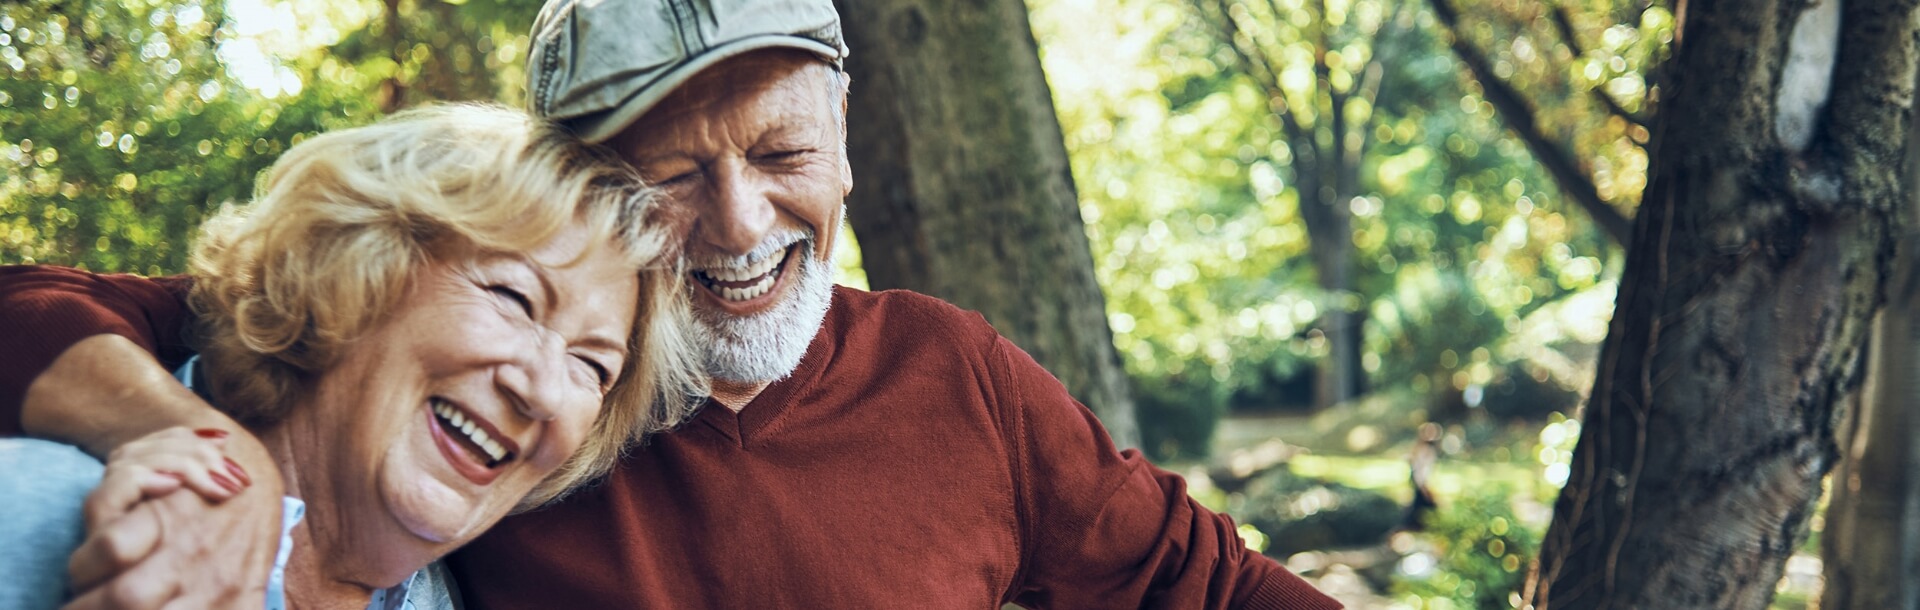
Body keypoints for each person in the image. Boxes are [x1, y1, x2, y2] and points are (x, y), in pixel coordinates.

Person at [0, 0, 1344, 607]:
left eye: (780, 154)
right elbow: (104, 311)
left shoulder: (956, 373)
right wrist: (194, 438)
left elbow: (1201, 584)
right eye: (675, 176)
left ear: (846, 144)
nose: (744, 222)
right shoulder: (456, 398)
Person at [0, 103, 702, 609]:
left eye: (592, 365)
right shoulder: (50, 509)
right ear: (356, 273)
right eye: (513, 297)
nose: (544, 393)